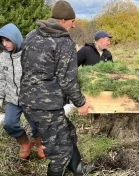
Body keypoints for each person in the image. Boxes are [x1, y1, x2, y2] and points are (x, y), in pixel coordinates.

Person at [19, 1, 95, 176]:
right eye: (72, 21)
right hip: (46, 105)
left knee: (68, 132)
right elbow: (67, 79)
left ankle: (78, 169)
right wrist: (81, 103)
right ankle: (65, 168)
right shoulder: (63, 42)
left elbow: (25, 65)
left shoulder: (31, 35)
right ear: (62, 20)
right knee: (60, 152)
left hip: (28, 101)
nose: (74, 25)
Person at [0, 23, 45, 160]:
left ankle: (39, 145)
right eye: (2, 40)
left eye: (8, 40)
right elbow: (1, 80)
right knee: (9, 123)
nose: (5, 44)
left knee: (36, 124)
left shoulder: (29, 54)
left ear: (15, 38)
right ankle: (25, 144)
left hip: (30, 98)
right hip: (13, 99)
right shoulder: (2, 57)